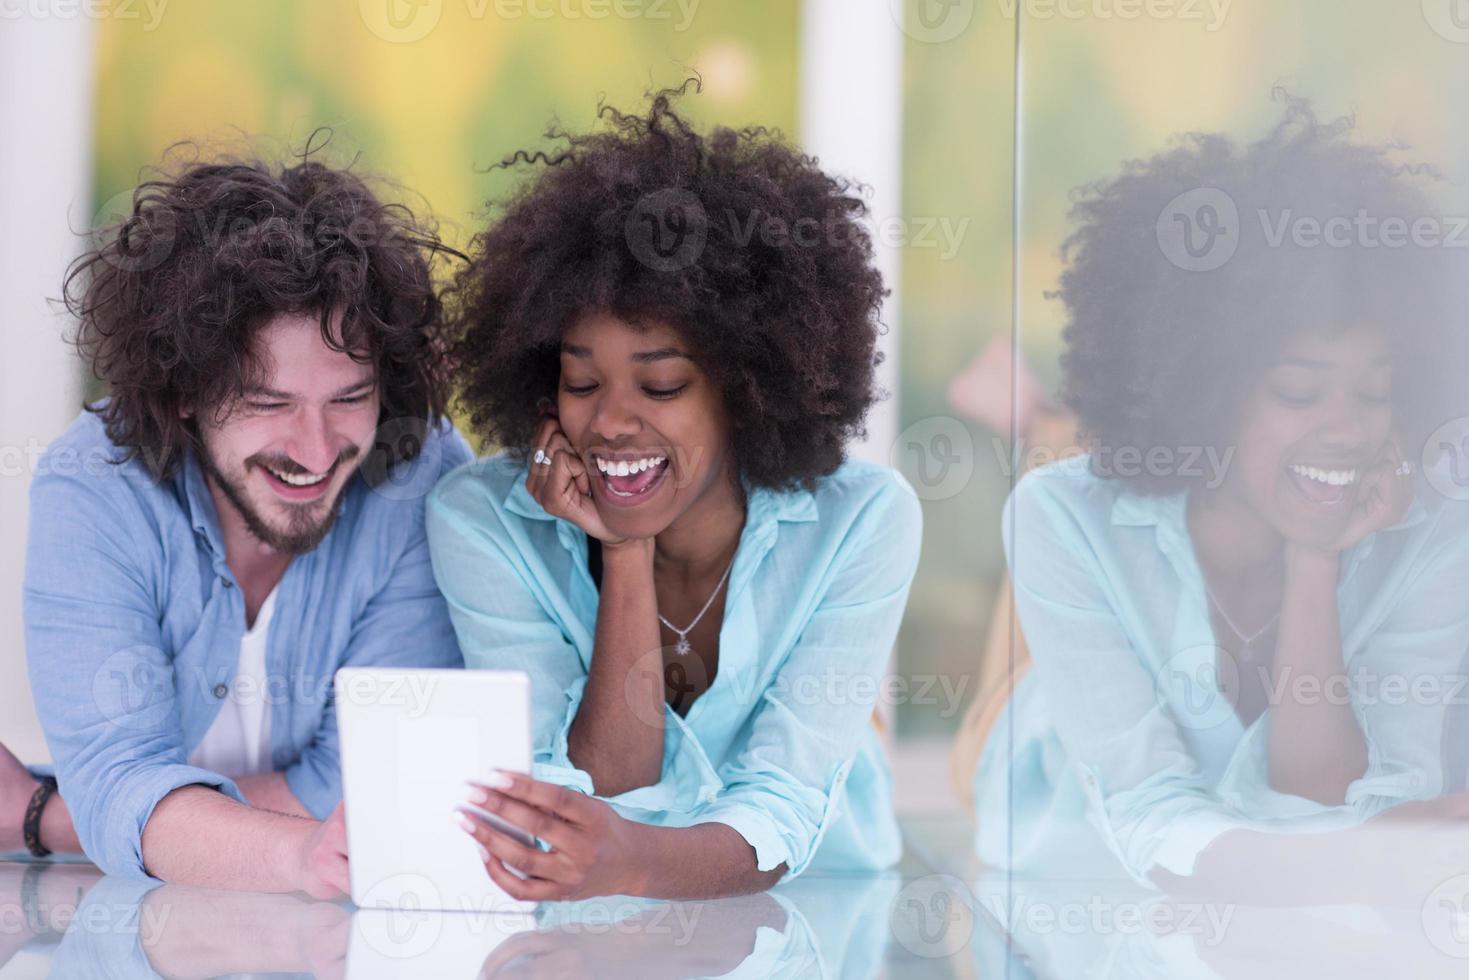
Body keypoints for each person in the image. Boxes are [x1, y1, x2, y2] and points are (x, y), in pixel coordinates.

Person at [426, 83, 922, 901]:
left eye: (659, 387)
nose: (610, 422)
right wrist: (625, 552)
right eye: (582, 381)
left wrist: (629, 858)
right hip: (588, 922)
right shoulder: (482, 519)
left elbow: (784, 804)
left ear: (747, 387)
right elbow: (586, 796)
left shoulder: (861, 521)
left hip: (817, 907)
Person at [968, 97, 1469, 891]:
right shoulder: (1058, 514)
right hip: (1075, 853)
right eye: (1298, 393)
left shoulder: (1433, 537)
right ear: (1207, 391)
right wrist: (1337, 857)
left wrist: (1313, 560)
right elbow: (1148, 812)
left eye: (1375, 393)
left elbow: (1346, 801)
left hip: (1272, 884)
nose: (1348, 428)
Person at [1, 146, 472, 894]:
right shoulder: (91, 486)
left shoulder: (425, 477)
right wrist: (130, 808)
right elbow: (123, 778)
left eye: (349, 398)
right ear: (184, 390)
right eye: (267, 403)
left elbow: (368, 787)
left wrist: (49, 816)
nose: (316, 450)